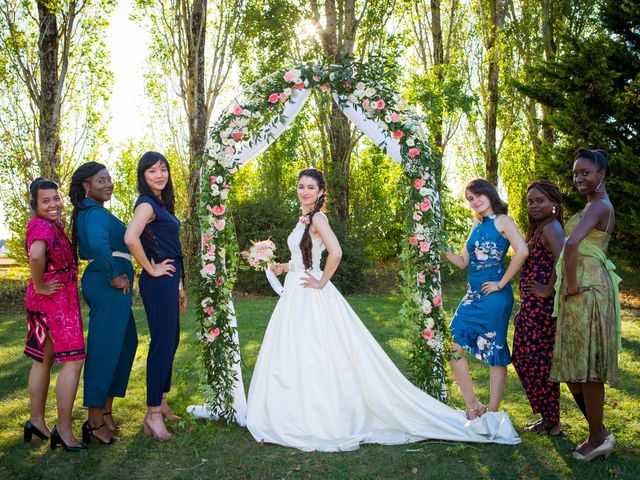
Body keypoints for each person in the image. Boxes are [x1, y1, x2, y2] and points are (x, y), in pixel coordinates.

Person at [245, 168, 521, 452]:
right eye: (301, 186)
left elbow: (335, 253)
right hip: (296, 292)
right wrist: (283, 267)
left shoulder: (317, 217)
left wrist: (321, 281)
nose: (305, 191)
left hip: (311, 292)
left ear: (320, 192)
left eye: (310, 187)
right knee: (298, 352)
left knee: (317, 351)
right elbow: (304, 260)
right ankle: (295, 409)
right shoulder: (303, 218)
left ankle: (320, 414)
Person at [550, 149, 620, 462]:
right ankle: (600, 432)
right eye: (576, 173)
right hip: (580, 291)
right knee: (573, 367)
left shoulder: (601, 204)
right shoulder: (593, 204)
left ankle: (596, 439)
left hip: (588, 290)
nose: (579, 178)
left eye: (585, 173)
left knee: (589, 369)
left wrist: (573, 285)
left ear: (601, 175)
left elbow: (573, 242)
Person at [443, 179, 528, 418]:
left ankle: (491, 411)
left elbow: (522, 251)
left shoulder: (504, 221)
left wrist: (502, 283)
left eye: (478, 195)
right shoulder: (476, 227)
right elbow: (462, 262)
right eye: (470, 199)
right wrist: (440, 246)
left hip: (495, 295)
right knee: (452, 344)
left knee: (495, 350)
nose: (475, 201)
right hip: (472, 296)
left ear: (490, 194)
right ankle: (472, 404)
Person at [69, 162, 138, 445]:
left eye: (109, 179)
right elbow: (98, 245)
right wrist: (113, 276)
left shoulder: (97, 211)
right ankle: (94, 420)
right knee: (106, 348)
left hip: (112, 282)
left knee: (125, 343)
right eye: (101, 180)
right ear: (87, 185)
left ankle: (106, 410)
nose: (108, 184)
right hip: (106, 281)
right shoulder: (93, 212)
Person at [125, 151, 187, 441]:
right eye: (152, 171)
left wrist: (179, 285)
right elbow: (130, 238)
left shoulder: (162, 204)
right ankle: (151, 415)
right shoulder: (146, 205)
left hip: (169, 281)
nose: (159, 175)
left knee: (171, 339)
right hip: (157, 281)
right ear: (143, 176)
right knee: (162, 342)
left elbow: (169, 247)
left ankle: (162, 403)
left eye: (163, 169)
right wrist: (149, 268)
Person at [23, 178, 86, 452]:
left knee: (44, 359)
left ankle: (36, 421)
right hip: (56, 302)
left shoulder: (50, 225)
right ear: (35, 204)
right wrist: (40, 285)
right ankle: (63, 430)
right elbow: (36, 256)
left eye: (56, 198)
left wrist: (38, 289)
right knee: (73, 362)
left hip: (43, 301)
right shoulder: (41, 226)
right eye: (45, 200)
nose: (53, 204)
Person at [512, 180, 565, 436]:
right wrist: (525, 308)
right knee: (524, 359)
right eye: (530, 201)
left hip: (542, 308)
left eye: (540, 200)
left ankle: (552, 422)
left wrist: (547, 289)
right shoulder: (540, 228)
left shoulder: (552, 228)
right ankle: (548, 417)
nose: (534, 205)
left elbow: (564, 259)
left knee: (538, 363)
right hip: (532, 308)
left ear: (554, 204)